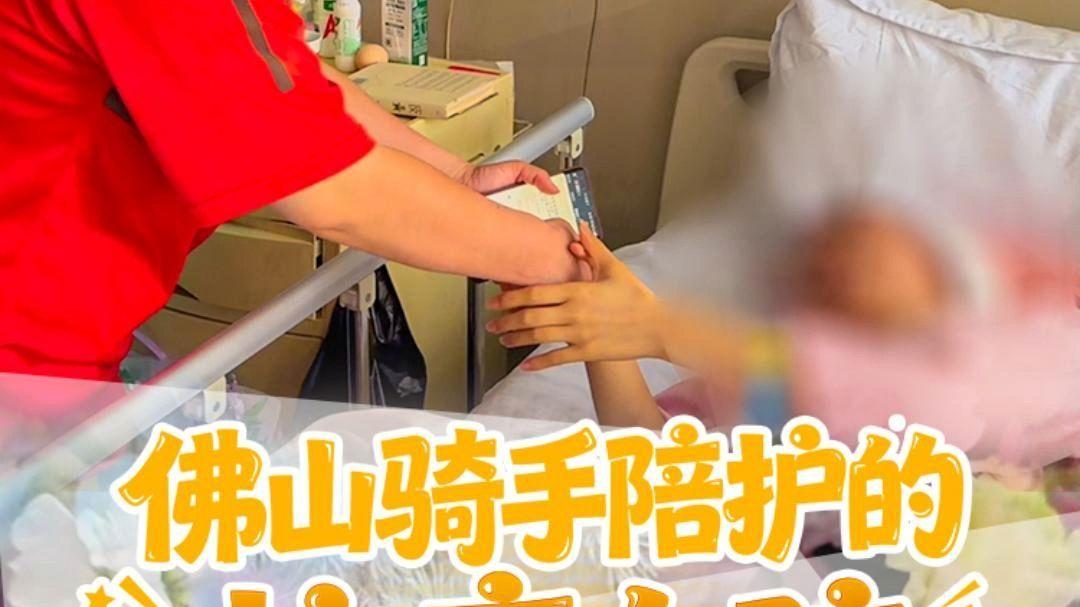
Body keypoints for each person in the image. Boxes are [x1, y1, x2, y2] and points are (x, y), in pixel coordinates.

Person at [0, 0, 586, 393]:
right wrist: (554, 260)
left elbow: (283, 72)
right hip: (27, 356)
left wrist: (456, 176)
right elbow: (335, 194)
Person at [487, 214, 1080, 466]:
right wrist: (600, 329)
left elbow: (929, 403)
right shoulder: (762, 383)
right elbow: (655, 449)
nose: (838, 269)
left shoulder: (1009, 352)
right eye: (823, 267)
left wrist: (662, 329)